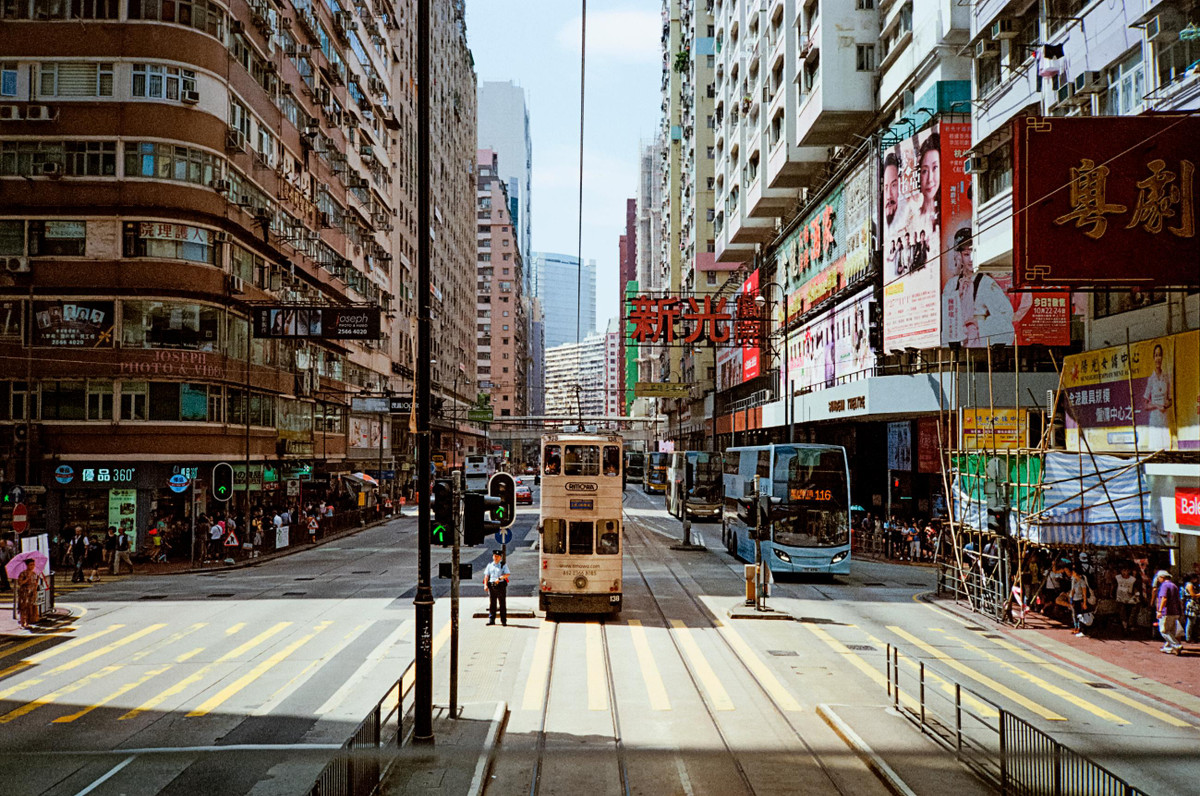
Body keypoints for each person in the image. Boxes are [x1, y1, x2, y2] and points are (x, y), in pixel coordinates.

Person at [1142, 343, 1173, 451]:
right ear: (1153, 358)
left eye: (1159, 355)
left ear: (1162, 357)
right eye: (1156, 355)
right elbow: (1145, 405)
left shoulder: (1166, 378)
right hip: (1154, 419)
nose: (1158, 358)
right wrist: (1156, 405)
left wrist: (1166, 405)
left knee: (1166, 449)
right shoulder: (1151, 379)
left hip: (1164, 419)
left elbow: (1170, 400)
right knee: (1155, 451)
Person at [1154, 570, 1184, 654]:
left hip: (1166, 612)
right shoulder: (1174, 585)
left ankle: (1176, 645)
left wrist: (1159, 610)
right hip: (1175, 611)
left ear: (1162, 577)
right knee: (1170, 630)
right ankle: (1167, 647)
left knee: (1164, 631)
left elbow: (1164, 598)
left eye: (1158, 577)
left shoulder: (1164, 586)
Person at [16, 558, 47, 629]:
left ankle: (27, 622)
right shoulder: (23, 573)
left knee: (30, 608)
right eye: (30, 565)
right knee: (23, 608)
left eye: (33, 565)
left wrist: (37, 581)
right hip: (24, 593)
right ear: (27, 565)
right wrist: (27, 579)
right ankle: (22, 623)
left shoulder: (34, 573)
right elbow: (20, 583)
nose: (32, 566)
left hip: (32, 593)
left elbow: (34, 584)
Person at [1113, 563, 1143, 633]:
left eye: (1126, 570)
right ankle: (1125, 627)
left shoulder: (1133, 580)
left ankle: (1129, 626)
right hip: (1120, 598)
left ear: (1129, 571)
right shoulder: (1117, 578)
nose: (1125, 572)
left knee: (1129, 614)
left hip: (1130, 599)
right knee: (1122, 614)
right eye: (1123, 570)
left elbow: (1136, 589)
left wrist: (1136, 596)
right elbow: (1114, 586)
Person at [483, 550, 510, 626]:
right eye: (494, 556)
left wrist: (500, 578)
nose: (496, 558)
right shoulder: (490, 565)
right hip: (492, 586)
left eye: (497, 556)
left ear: (500, 557)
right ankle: (491, 620)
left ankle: (503, 621)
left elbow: (507, 574)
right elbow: (486, 576)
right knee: (492, 604)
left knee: (502, 603)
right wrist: (485, 585)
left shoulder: (503, 565)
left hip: (500, 585)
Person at [1067, 565, 1091, 637]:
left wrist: (1084, 603)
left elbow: (1084, 593)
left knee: (1079, 615)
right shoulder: (1074, 580)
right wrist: (1071, 599)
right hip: (1074, 599)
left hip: (1080, 599)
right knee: (1074, 614)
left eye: (1074, 572)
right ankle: (1076, 627)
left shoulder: (1082, 581)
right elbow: (1073, 590)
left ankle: (1080, 628)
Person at [1183, 572, 1200, 644]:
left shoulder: (1190, 584)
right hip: (1191, 604)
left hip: (1193, 604)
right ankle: (1188, 637)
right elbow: (1193, 595)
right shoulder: (1189, 585)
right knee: (1190, 622)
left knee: (1193, 621)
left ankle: (1191, 636)